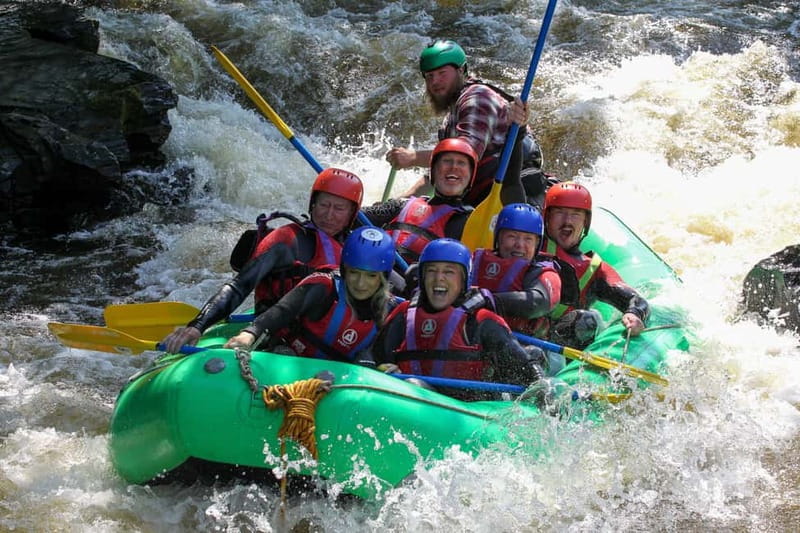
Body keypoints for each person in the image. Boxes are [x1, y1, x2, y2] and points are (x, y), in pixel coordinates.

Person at [162, 168, 364, 353]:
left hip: (332, 342)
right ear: (313, 205)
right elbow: (239, 286)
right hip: (277, 339)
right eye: (324, 205)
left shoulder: (357, 249)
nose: (329, 215)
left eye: (339, 208)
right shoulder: (286, 240)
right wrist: (197, 326)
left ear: (351, 214)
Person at [369, 238, 547, 400]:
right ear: (422, 277)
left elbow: (525, 371)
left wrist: (541, 385)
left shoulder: (481, 321)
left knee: (413, 385)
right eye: (431, 271)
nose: (439, 278)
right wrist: (386, 368)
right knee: (411, 384)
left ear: (464, 280)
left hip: (469, 406)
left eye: (449, 272)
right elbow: (374, 358)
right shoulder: (404, 315)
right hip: (413, 395)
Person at [386, 39, 542, 207]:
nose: (434, 82)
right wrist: (401, 201)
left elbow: (462, 158)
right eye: (429, 76)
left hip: (514, 195)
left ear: (461, 70)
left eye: (442, 73)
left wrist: (412, 158)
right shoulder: (453, 114)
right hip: (486, 195)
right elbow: (442, 172)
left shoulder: (478, 99)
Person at [223, 227, 399, 363]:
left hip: (340, 381)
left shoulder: (390, 311)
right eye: (354, 272)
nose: (360, 284)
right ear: (345, 269)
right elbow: (282, 310)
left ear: (383, 277)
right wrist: (250, 334)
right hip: (292, 360)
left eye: (371, 276)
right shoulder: (324, 286)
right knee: (284, 354)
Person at [541, 181, 650, 349]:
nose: (567, 221)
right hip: (517, 335)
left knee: (586, 320)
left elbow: (636, 300)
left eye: (575, 214)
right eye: (559, 212)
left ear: (585, 222)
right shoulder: (528, 246)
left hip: (559, 348)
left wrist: (634, 314)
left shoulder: (595, 270)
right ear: (546, 217)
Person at [468, 203, 565, 373]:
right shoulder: (474, 260)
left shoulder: (543, 273)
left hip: (525, 347)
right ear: (498, 238)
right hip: (474, 340)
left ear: (537, 244)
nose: (519, 245)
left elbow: (537, 302)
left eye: (528, 239)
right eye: (512, 236)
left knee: (533, 353)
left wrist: (489, 300)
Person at [362, 137, 479, 266]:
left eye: (461, 163)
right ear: (433, 171)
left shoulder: (471, 222)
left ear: (471, 175)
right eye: (447, 161)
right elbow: (353, 215)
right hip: (375, 272)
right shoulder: (401, 205)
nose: (453, 167)